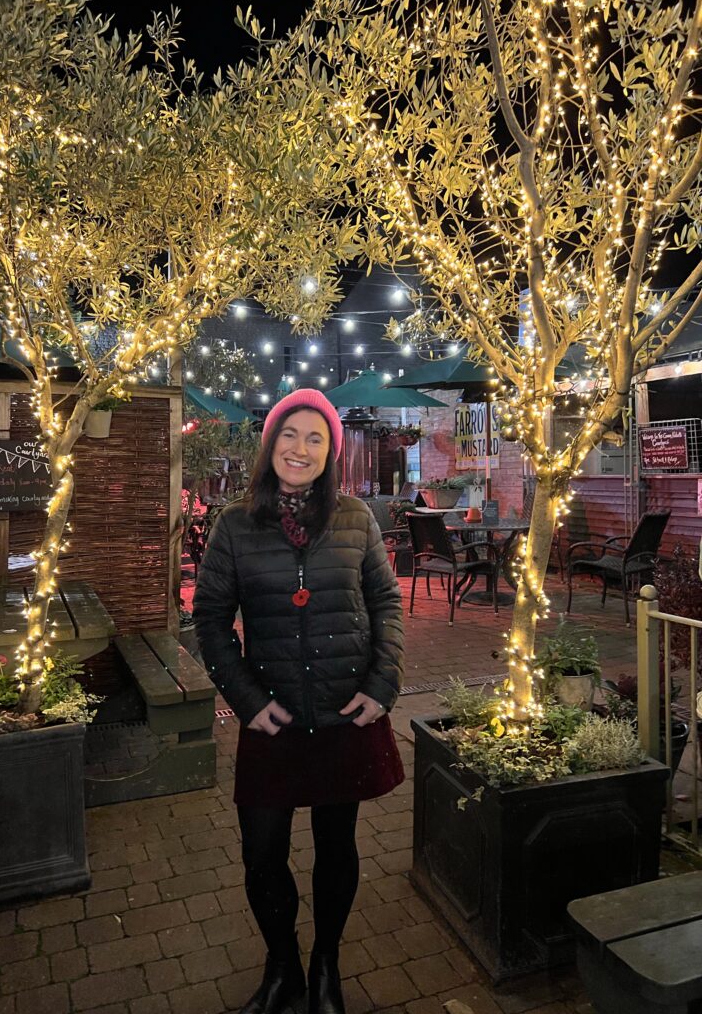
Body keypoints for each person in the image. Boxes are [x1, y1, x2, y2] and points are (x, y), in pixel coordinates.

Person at [193, 388, 405, 1014]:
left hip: (345, 713)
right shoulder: (234, 525)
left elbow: (387, 603)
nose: (301, 448)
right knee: (261, 854)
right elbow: (209, 621)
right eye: (291, 435)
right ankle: (282, 965)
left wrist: (382, 683)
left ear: (331, 452)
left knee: (337, 848)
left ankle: (325, 969)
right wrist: (247, 699)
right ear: (270, 443)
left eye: (317, 438)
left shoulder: (356, 519)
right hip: (273, 720)